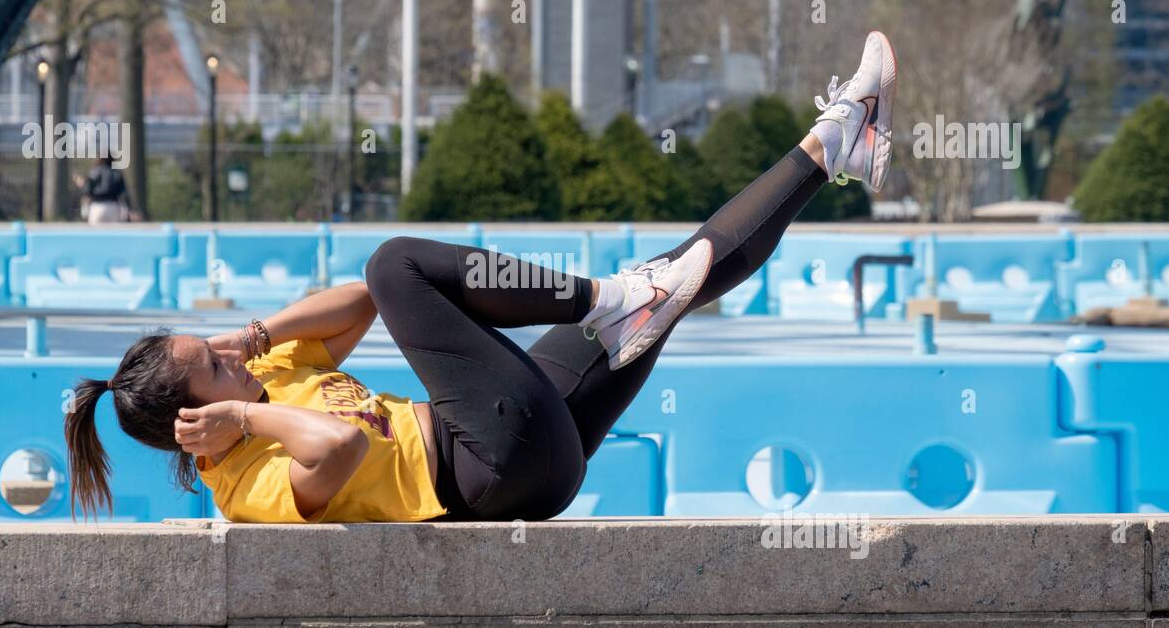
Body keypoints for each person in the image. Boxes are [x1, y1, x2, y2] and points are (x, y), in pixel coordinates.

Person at [65, 31, 897, 524]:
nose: (232, 359)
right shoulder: (246, 482)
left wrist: (251, 337)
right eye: (212, 367)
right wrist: (250, 411)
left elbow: (357, 309)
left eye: (217, 349)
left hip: (533, 451)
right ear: (199, 420)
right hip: (484, 467)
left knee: (674, 283)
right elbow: (345, 443)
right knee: (395, 259)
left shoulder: (267, 367)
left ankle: (833, 143)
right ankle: (609, 300)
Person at [76, 157, 130, 224]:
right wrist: (127, 209)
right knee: (113, 233)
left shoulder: (94, 172)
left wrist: (84, 209)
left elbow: (87, 191)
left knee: (95, 233)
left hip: (97, 207)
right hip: (113, 207)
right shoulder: (117, 173)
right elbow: (123, 194)